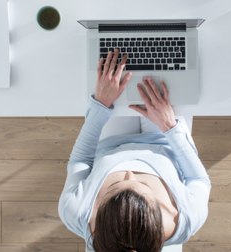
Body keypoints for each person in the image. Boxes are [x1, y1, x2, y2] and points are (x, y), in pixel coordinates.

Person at [58, 49, 211, 252]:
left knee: (113, 72)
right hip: (165, 140)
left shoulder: (75, 212)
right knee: (175, 62)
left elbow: (81, 161)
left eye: (113, 189)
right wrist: (169, 126)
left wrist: (100, 106)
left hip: (112, 142)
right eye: (140, 184)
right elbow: (198, 180)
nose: (129, 173)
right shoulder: (187, 218)